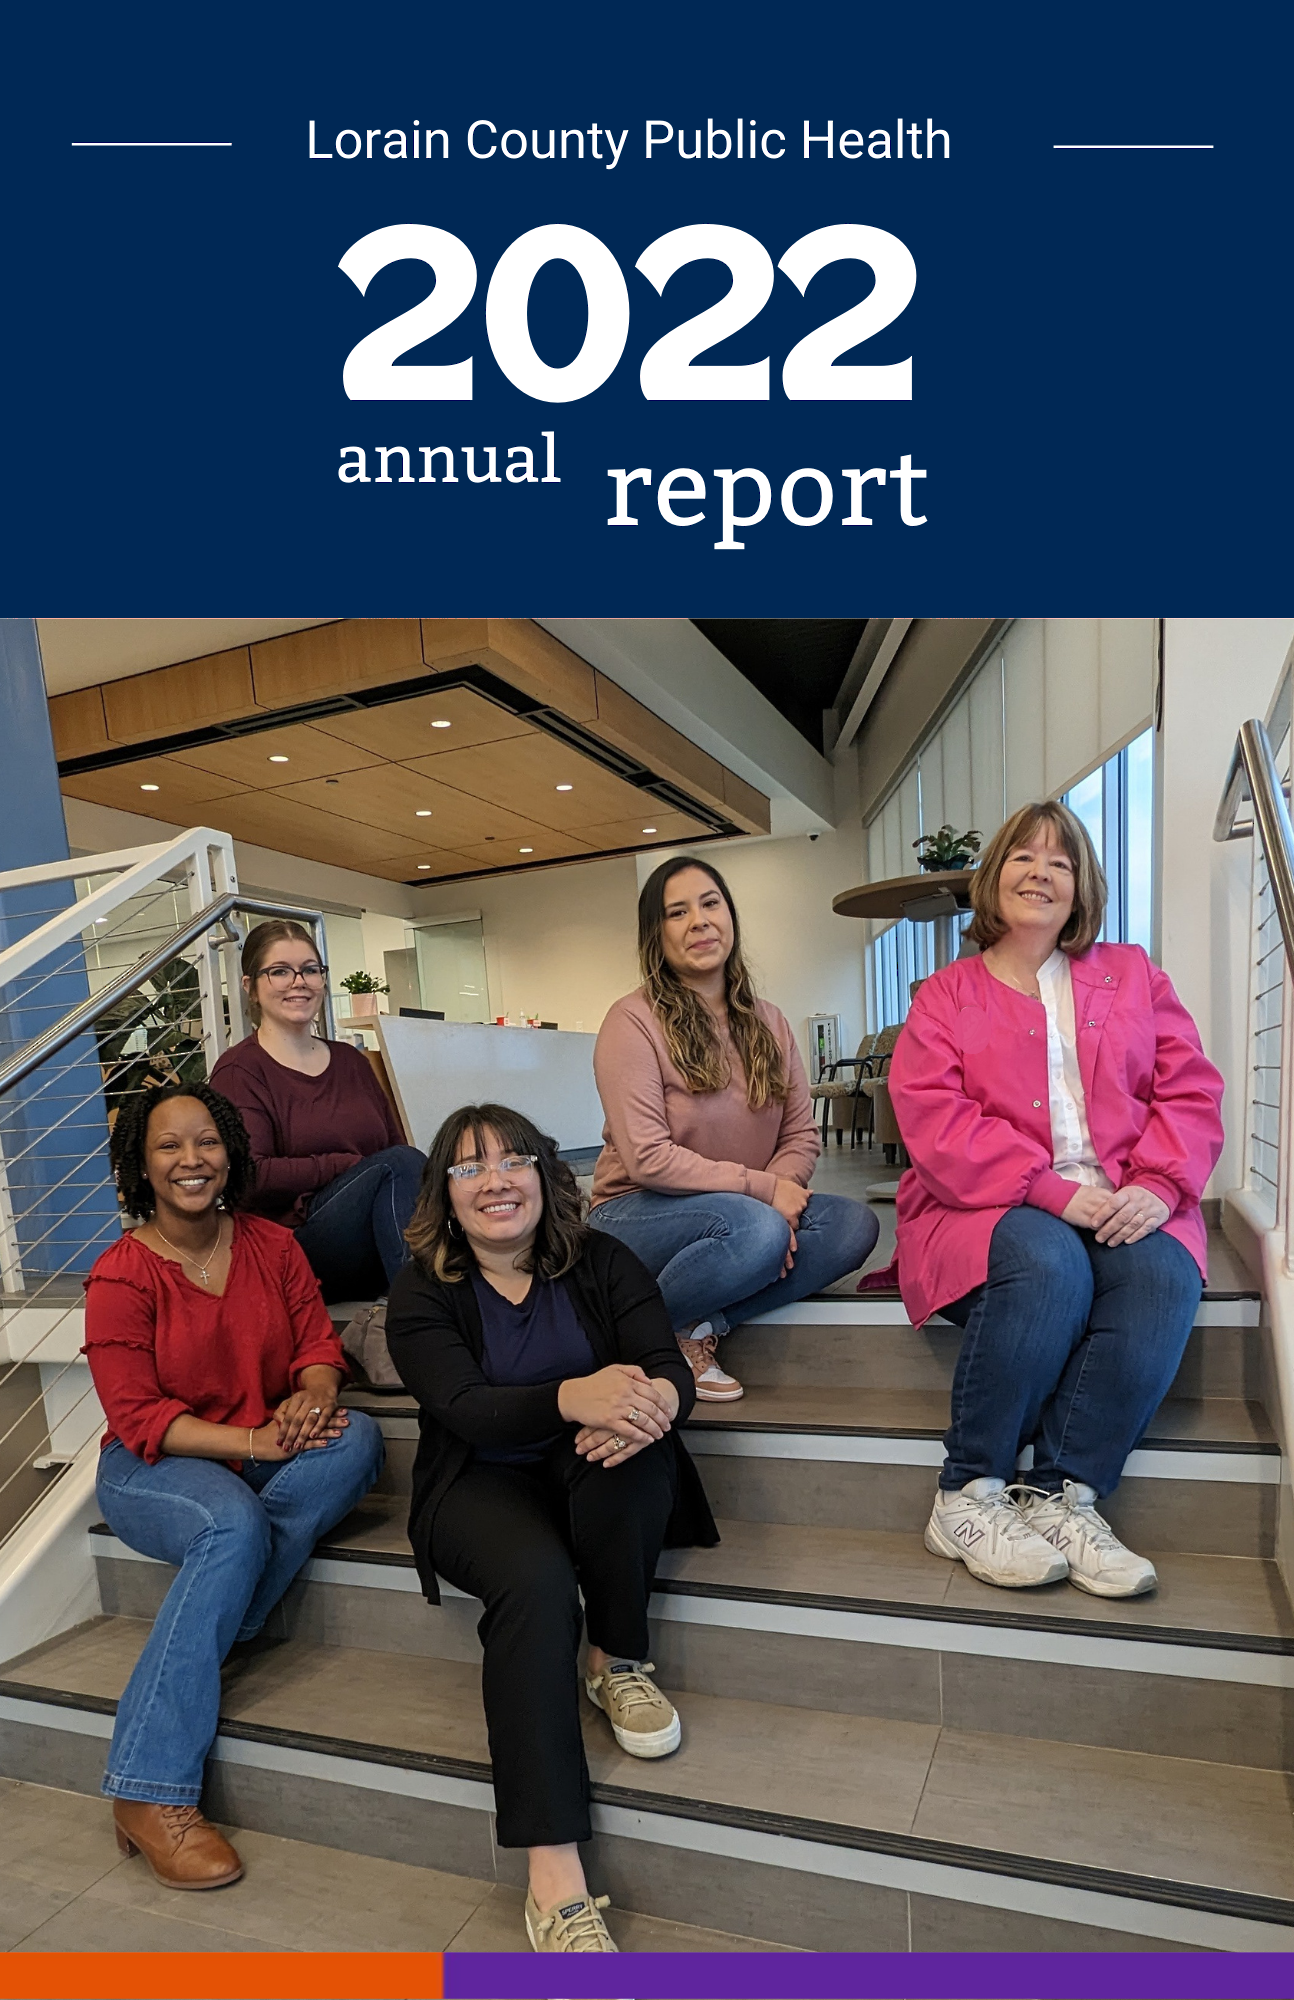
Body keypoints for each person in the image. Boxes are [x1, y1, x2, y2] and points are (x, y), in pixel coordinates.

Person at [385, 1103, 717, 1955]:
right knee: (533, 1585)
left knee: (634, 1454)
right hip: (476, 1481)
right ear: (445, 1194)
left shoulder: (604, 1259)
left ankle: (614, 1658)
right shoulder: (423, 1289)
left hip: (588, 1459)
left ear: (544, 1173)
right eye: (469, 1167)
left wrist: (652, 1406)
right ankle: (555, 1879)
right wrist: (577, 1394)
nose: (495, 1180)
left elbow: (668, 1367)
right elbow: (464, 1410)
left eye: (513, 1160)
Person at [887, 801, 1225, 1598]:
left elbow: (1189, 1089)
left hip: (1127, 1195)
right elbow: (936, 1120)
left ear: (1081, 889)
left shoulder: (1134, 974)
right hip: (985, 1206)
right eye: (1023, 858)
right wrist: (1048, 1191)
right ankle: (968, 1490)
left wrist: (1158, 1182)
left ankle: (1062, 1492)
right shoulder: (945, 995)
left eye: (1060, 862)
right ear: (994, 875)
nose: (1040, 873)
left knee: (1162, 1280)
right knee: (1051, 1271)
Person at [84, 1083, 384, 1887]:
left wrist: (314, 1396)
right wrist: (252, 1437)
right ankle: (147, 1790)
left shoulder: (272, 1246)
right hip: (156, 1469)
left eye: (206, 1142)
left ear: (230, 1152)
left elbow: (319, 1345)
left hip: (263, 1447)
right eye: (169, 1147)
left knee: (358, 1440)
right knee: (232, 1526)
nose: (192, 1160)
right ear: (141, 1167)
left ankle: (212, 1623)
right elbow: (140, 1416)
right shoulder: (121, 1274)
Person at [587, 856, 879, 1400]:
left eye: (710, 903)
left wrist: (778, 1191)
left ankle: (695, 1323)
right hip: (634, 1212)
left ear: (730, 918)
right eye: (678, 912)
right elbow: (648, 1158)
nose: (698, 921)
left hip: (744, 1211)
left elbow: (799, 1135)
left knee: (851, 1226)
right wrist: (766, 1195)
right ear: (658, 934)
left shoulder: (769, 1021)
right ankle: (647, 1332)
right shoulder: (631, 1022)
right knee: (757, 1232)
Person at [210, 919, 425, 1306]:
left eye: (311, 970)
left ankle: (430, 1307)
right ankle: (427, 1318)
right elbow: (247, 1176)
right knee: (397, 1166)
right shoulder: (239, 1071)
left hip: (368, 1239)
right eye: (280, 971)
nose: (300, 982)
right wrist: (341, 1165)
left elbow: (395, 1146)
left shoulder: (351, 1062)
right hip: (292, 1246)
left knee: (417, 1170)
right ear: (250, 988)